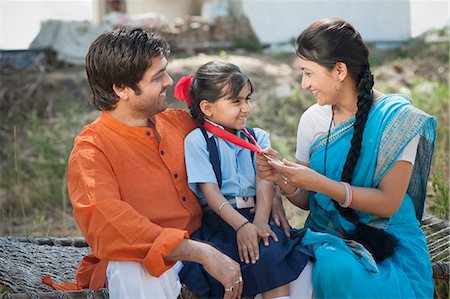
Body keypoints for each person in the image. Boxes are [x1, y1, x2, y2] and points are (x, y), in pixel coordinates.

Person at [44, 27, 245, 299]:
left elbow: (236, 150)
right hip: (154, 258)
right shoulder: (91, 151)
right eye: (158, 76)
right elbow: (111, 227)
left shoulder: (181, 123)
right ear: (122, 89)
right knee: (135, 267)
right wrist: (199, 252)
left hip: (209, 237)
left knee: (291, 267)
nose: (169, 81)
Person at [256, 18, 436, 298]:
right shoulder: (312, 120)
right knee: (327, 265)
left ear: (339, 70)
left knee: (336, 269)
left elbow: (388, 204)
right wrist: (285, 180)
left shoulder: (397, 121)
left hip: (389, 238)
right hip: (328, 235)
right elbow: (306, 200)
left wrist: (320, 183)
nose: (304, 85)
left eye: (308, 73)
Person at [173, 61, 312, 299]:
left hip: (258, 216)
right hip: (222, 221)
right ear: (207, 107)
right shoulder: (198, 141)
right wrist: (242, 226)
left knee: (270, 256)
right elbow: (211, 193)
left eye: (247, 99)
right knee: (234, 266)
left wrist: (259, 221)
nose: (246, 108)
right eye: (236, 101)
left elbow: (265, 181)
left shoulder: (257, 137)